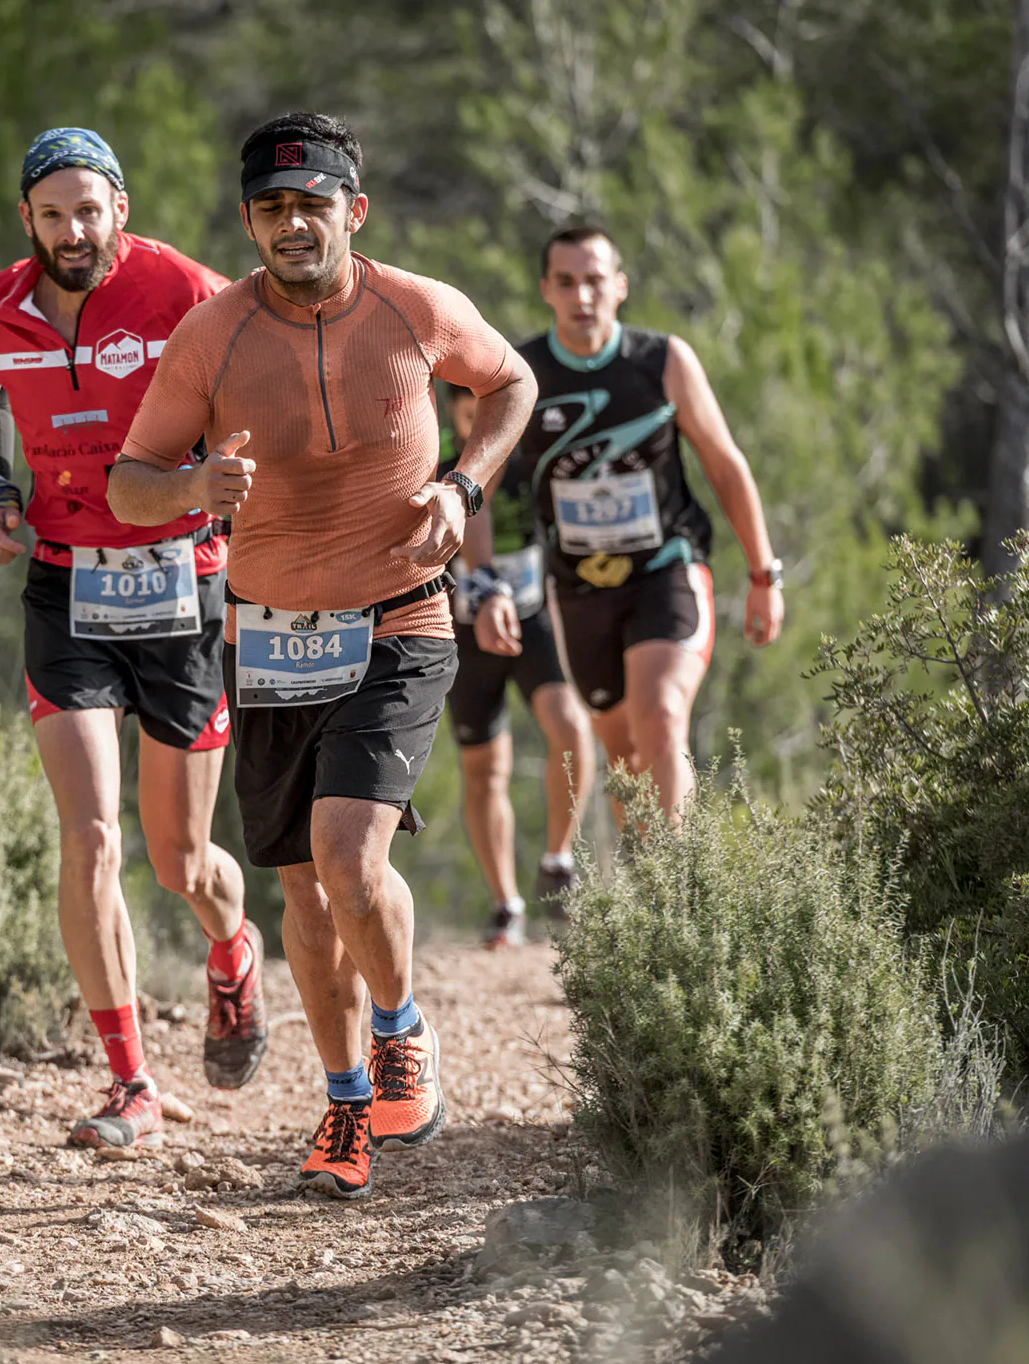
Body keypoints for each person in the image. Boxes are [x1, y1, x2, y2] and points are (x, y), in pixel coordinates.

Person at [109, 112, 537, 1199]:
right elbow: (129, 482)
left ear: (354, 210)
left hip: (398, 616)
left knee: (348, 857)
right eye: (269, 208)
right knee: (303, 898)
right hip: (267, 641)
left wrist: (462, 485)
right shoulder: (210, 336)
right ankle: (346, 1100)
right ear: (248, 220)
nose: (291, 224)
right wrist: (190, 492)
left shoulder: (415, 306)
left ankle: (401, 1035)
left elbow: (511, 385)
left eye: (311, 203)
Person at [0, 128, 267, 1152]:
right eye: (53, 214)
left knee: (182, 862)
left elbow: (250, 379)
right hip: (63, 584)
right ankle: (129, 1082)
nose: (73, 231)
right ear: (27, 222)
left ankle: (233, 949)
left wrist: (221, 483)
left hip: (180, 584)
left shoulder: (182, 288)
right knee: (89, 835)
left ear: (118, 210)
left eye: (89, 210)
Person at [483, 226, 783, 819]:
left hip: (665, 566)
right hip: (579, 589)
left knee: (662, 717)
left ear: (619, 286)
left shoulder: (662, 361)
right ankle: (649, 902)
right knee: (624, 760)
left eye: (595, 280)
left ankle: (681, 900)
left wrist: (762, 574)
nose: (582, 296)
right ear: (547, 289)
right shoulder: (521, 373)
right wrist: (487, 583)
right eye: (566, 282)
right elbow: (478, 489)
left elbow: (725, 466)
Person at [438, 384, 594, 947]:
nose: (483, 423)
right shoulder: (437, 470)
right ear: (452, 415)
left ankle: (558, 858)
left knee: (572, 728)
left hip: (530, 621)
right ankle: (506, 904)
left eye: (491, 413)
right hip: (463, 631)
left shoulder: (530, 465)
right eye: (470, 414)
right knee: (485, 770)